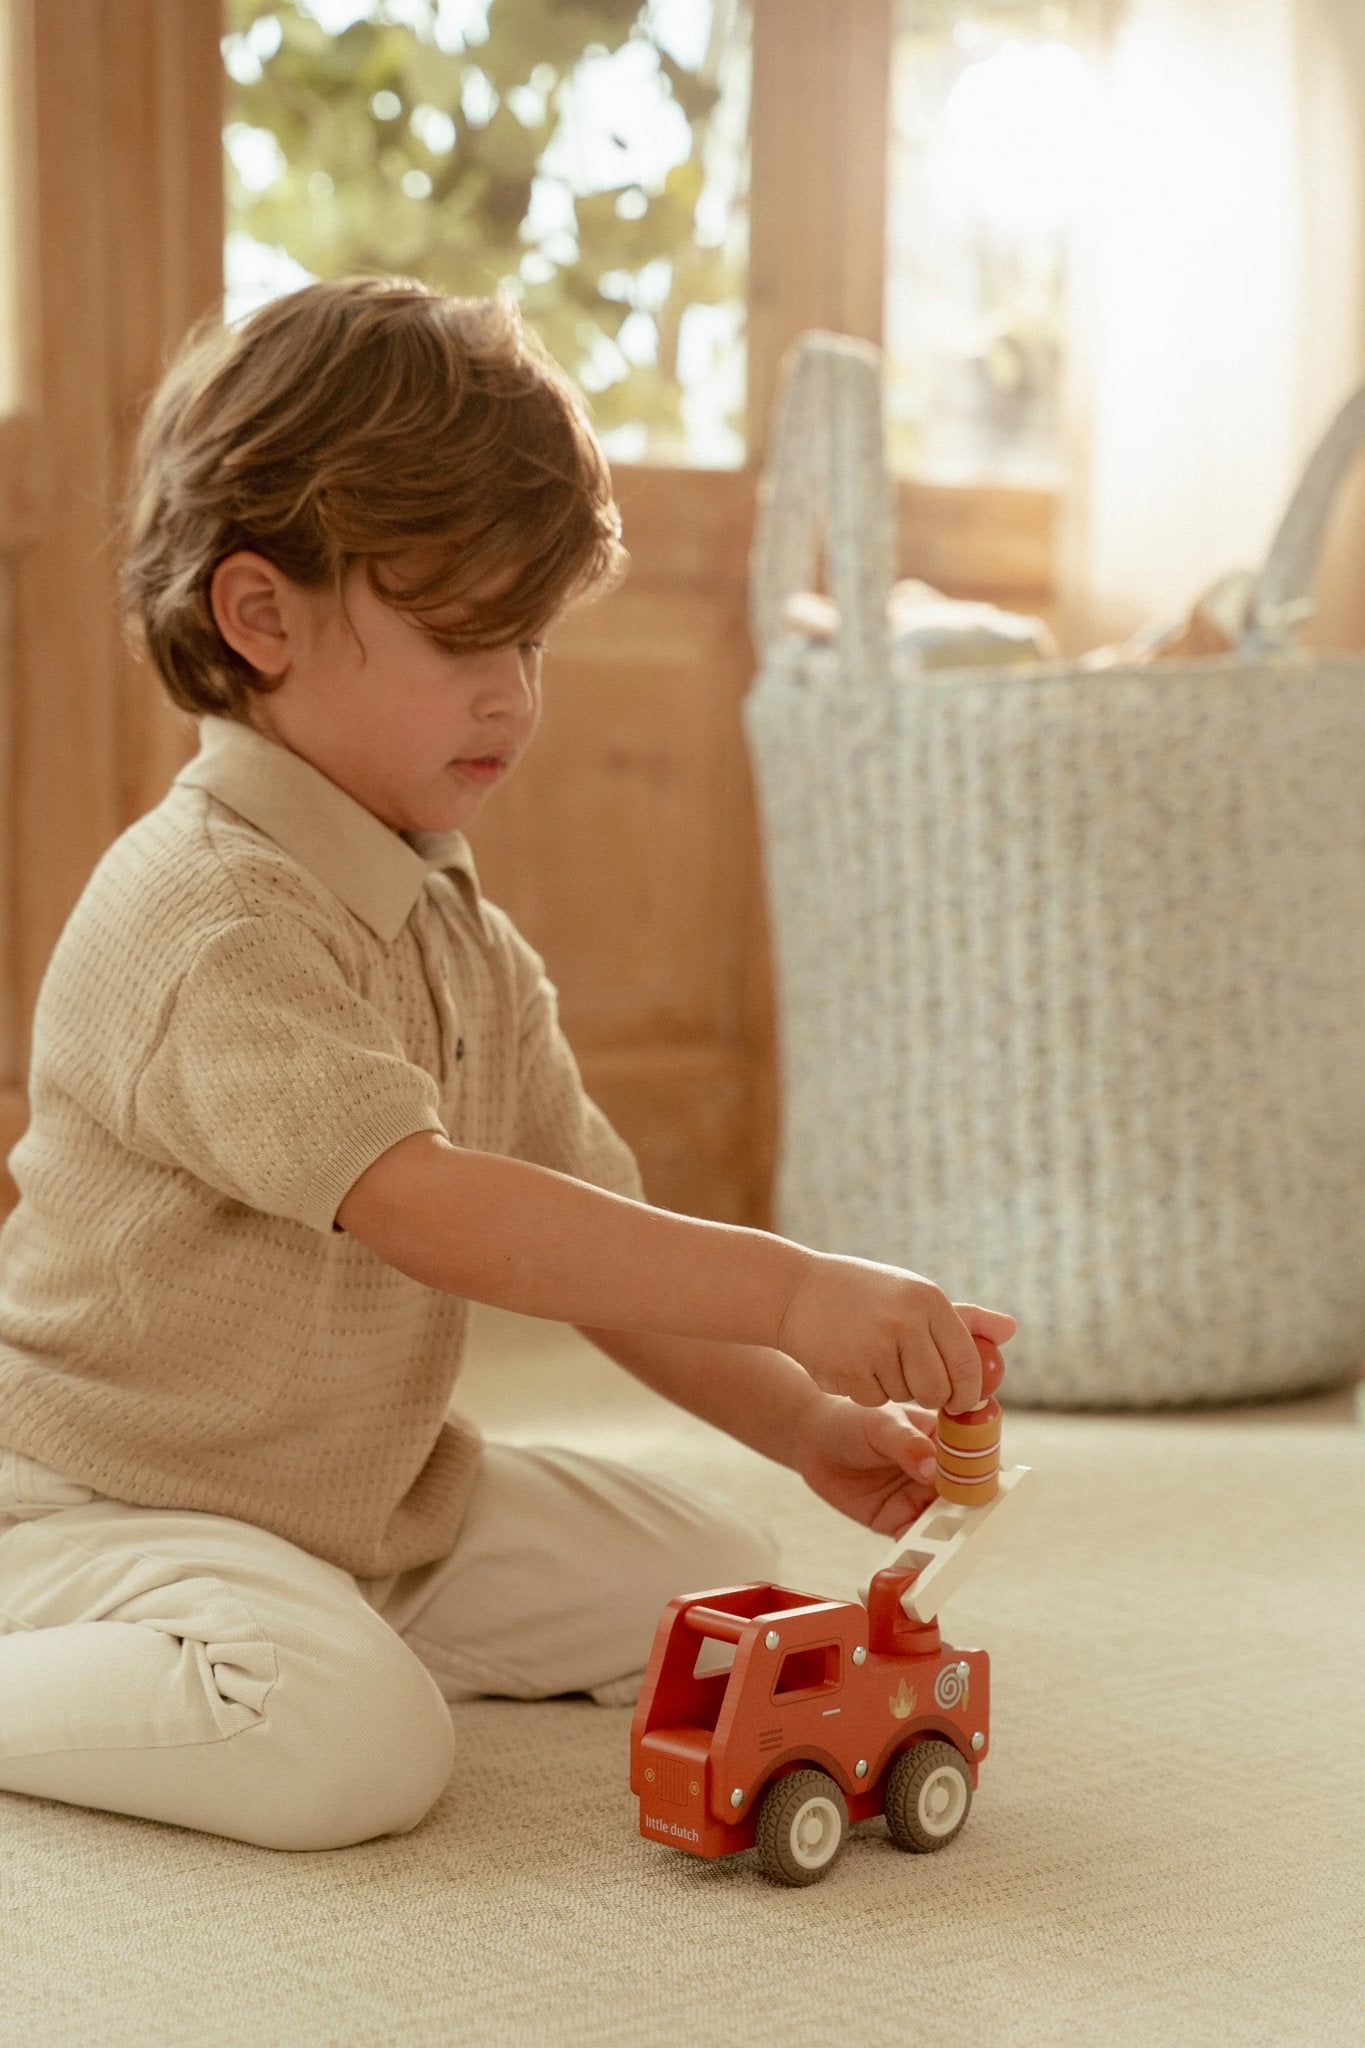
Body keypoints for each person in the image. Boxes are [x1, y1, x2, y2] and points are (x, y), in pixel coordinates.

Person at [0, 275, 1015, 1852]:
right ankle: (204, 1655)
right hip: (98, 1506)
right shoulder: (208, 917)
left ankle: (295, 1625)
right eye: (467, 637)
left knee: (711, 1577)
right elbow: (435, 1211)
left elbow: (590, 1238)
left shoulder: (445, 920)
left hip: (361, 1509)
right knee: (349, 1752)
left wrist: (802, 1420)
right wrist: (798, 1292)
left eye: (531, 640)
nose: (516, 696)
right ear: (260, 618)